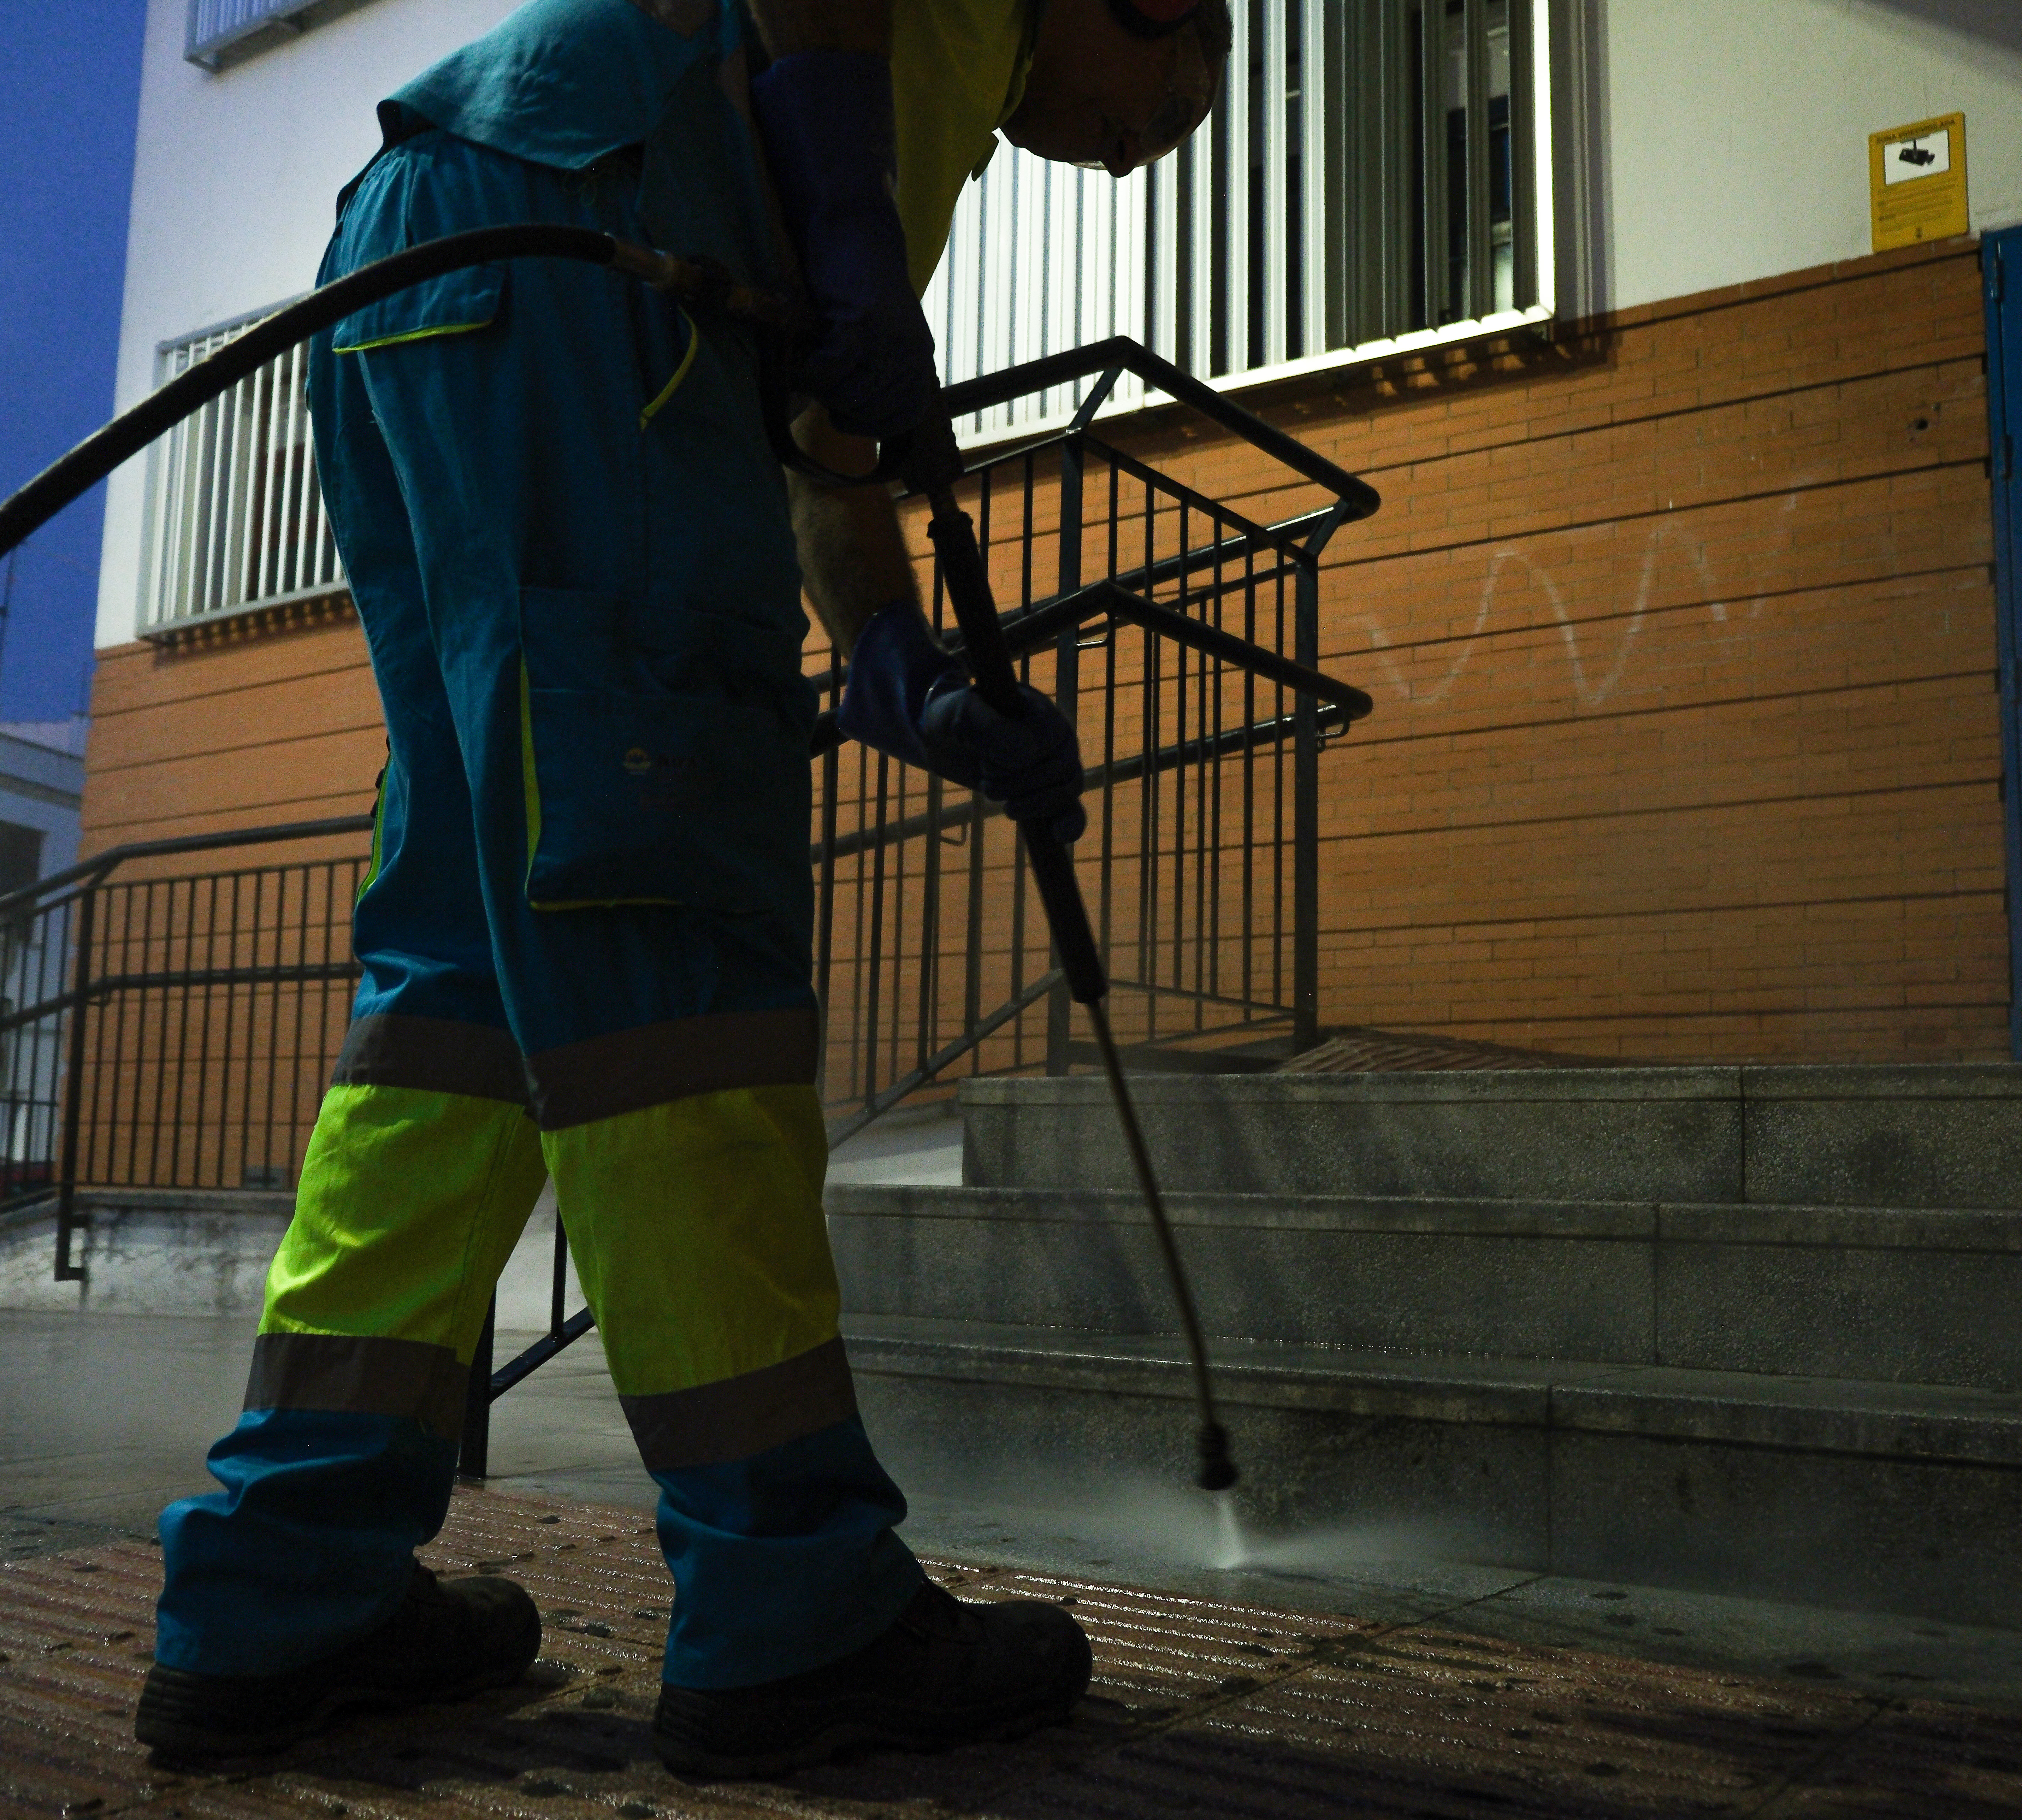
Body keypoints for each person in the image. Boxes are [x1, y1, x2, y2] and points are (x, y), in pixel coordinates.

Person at [130, 0, 1229, 1779]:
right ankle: (793, 1600)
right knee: (669, 943)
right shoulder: (933, 44)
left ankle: (288, 1576)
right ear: (1158, 12)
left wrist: (899, 656)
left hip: (445, 248)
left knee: (476, 957)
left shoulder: (905, 114)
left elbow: (822, 436)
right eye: (1165, 113)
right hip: (595, 242)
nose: (1125, 156)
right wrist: (855, 235)